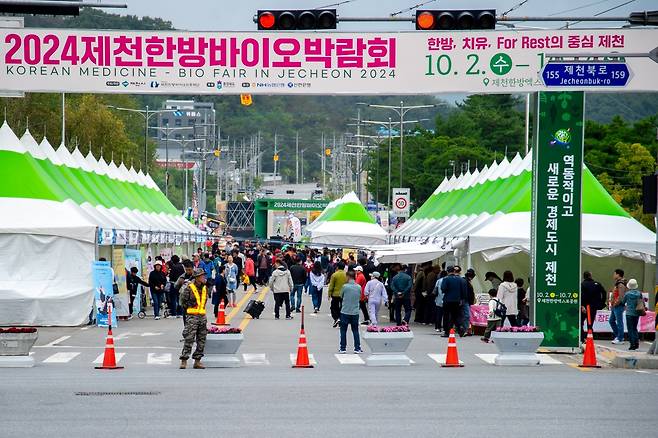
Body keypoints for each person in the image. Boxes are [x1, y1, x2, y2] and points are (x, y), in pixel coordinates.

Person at [179, 269, 208, 369]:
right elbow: (183, 301)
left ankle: (197, 361)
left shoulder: (204, 287)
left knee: (201, 339)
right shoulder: (189, 288)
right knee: (189, 338)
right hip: (192, 316)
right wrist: (190, 309)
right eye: (201, 276)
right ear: (196, 278)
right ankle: (184, 360)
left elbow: (205, 300)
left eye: (203, 275)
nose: (203, 277)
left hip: (202, 316)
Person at [338, 270, 363, 354]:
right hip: (355, 311)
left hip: (345, 311)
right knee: (355, 330)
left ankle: (343, 348)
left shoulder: (345, 287)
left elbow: (341, 296)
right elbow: (360, 297)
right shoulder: (359, 287)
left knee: (343, 330)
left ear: (348, 277)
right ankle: (357, 348)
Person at [441, 265, 467, 336]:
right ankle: (460, 328)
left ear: (447, 271)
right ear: (454, 271)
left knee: (446, 316)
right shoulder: (460, 279)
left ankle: (447, 332)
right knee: (456, 315)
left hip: (447, 300)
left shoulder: (446, 279)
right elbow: (463, 291)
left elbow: (443, 289)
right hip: (457, 300)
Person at [580, 272, 606, 342]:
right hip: (594, 306)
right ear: (590, 276)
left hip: (585, 306)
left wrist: (582, 305)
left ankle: (582, 338)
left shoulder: (582, 284)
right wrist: (602, 303)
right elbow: (604, 292)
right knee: (590, 323)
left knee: (580, 323)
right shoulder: (597, 284)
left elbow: (581, 295)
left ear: (584, 277)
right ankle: (590, 338)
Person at [622, 279, 643, 351]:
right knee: (634, 328)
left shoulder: (627, 294)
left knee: (630, 329)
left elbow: (623, 302)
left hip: (629, 313)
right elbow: (641, 302)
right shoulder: (639, 293)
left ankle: (632, 344)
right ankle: (636, 343)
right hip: (636, 313)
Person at [609, 268, 628, 344]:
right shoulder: (618, 283)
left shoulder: (621, 284)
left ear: (618, 274)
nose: (613, 275)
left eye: (614, 274)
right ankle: (619, 336)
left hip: (618, 306)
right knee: (611, 321)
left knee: (619, 322)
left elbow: (621, 296)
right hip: (615, 305)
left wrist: (615, 303)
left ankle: (620, 338)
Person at [328, 261, 348, 327]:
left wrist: (329, 293)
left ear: (337, 267)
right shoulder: (346, 275)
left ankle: (336, 318)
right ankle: (340, 318)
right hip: (344, 294)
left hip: (335, 294)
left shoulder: (334, 275)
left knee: (333, 307)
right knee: (342, 307)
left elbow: (331, 285)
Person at [462, 269, 476, 335]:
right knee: (466, 315)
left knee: (465, 315)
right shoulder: (465, 281)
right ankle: (465, 329)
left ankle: (465, 329)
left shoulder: (467, 280)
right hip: (465, 300)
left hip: (466, 300)